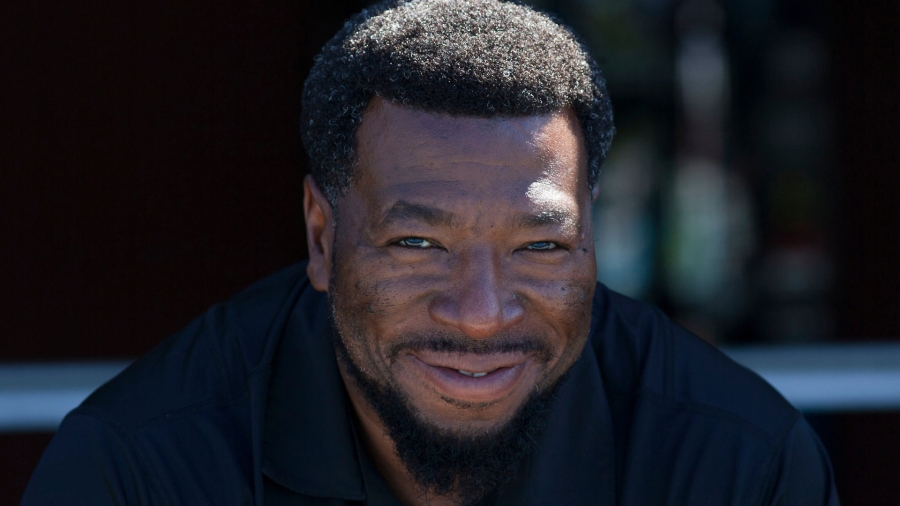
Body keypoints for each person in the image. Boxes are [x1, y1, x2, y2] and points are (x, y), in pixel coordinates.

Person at [23, 0, 839, 504]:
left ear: (591, 234)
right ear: (320, 235)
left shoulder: (738, 465)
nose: (481, 313)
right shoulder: (139, 472)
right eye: (417, 243)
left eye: (540, 246)